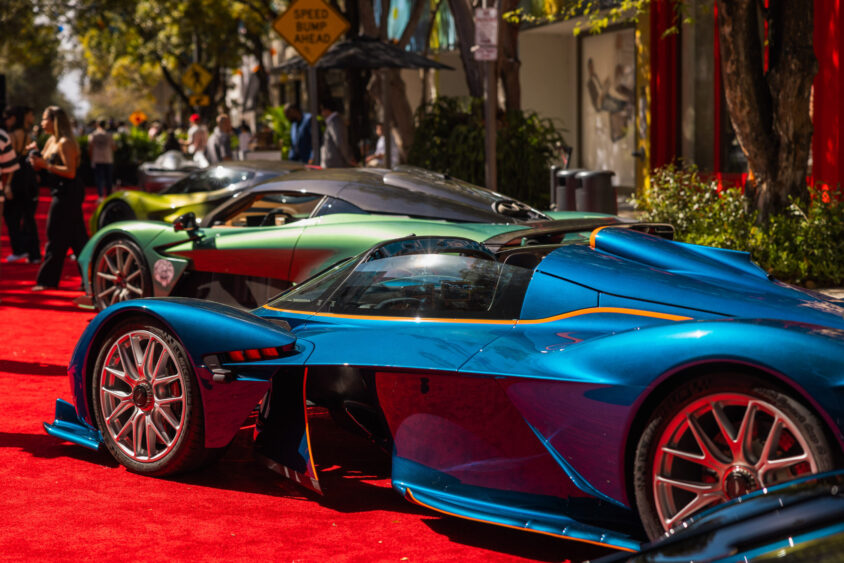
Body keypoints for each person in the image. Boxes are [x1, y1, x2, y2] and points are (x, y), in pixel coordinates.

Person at [28, 105, 89, 291]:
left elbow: (70, 172)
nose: (42, 122)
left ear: (54, 120)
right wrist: (34, 157)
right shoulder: (50, 140)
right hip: (59, 192)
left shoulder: (64, 142)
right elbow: (44, 163)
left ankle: (47, 280)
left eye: (45, 118)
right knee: (77, 240)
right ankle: (91, 280)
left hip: (67, 193)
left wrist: (44, 165)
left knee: (56, 235)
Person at [2, 106, 40, 264]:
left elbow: (9, 161)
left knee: (11, 215)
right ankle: (33, 252)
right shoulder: (26, 134)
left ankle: (19, 249)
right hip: (27, 175)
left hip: (15, 175)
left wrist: (7, 184)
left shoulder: (11, 135)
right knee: (28, 215)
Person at [320, 99, 356, 168]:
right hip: (333, 163)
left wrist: (349, 158)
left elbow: (340, 140)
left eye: (322, 110)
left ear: (327, 110)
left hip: (336, 164)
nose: (322, 113)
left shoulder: (335, 122)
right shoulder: (333, 121)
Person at [88, 119, 116, 201]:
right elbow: (114, 147)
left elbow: (90, 148)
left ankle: (100, 196)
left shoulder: (93, 135)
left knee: (99, 179)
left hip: (97, 159)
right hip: (108, 159)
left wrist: (91, 158)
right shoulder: (109, 135)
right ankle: (109, 196)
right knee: (108, 179)